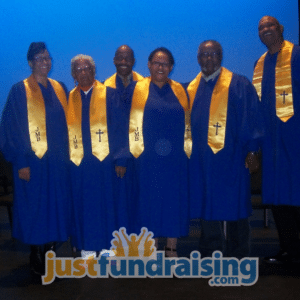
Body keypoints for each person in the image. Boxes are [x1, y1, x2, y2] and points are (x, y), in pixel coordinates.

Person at [0, 42, 70, 280]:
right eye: (40, 58)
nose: (45, 62)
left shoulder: (59, 88)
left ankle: (50, 250)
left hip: (57, 164)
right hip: (33, 163)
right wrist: (20, 162)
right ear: (30, 62)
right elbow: (11, 129)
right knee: (34, 207)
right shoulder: (20, 91)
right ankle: (35, 254)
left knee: (55, 205)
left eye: (48, 58)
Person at [188, 40, 262, 258]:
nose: (208, 58)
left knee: (235, 204)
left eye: (213, 54)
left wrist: (252, 150)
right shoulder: (191, 89)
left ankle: (238, 253)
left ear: (220, 57)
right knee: (206, 203)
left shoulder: (238, 84)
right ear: (198, 58)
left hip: (232, 159)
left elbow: (251, 118)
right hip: (201, 160)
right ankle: (211, 250)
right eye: (203, 54)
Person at [124, 47, 192, 257]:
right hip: (146, 159)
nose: (160, 67)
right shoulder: (135, 89)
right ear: (148, 65)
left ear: (171, 67)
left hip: (174, 160)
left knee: (173, 200)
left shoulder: (181, 90)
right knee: (147, 201)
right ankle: (148, 246)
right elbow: (122, 122)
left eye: (165, 63)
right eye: (156, 62)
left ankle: (171, 246)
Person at [253, 16, 300, 263]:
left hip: (295, 140)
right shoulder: (259, 64)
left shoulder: (297, 55)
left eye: (270, 25)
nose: (266, 30)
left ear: (280, 28)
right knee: (278, 198)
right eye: (261, 28)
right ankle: (289, 249)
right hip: (272, 145)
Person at [67, 54, 124, 257]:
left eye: (87, 69)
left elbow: (120, 128)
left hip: (105, 163)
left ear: (94, 71)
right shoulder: (68, 99)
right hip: (78, 165)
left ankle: (108, 248)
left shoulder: (110, 95)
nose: (83, 73)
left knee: (107, 203)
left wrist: (121, 159)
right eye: (79, 70)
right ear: (73, 74)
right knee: (83, 205)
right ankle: (87, 247)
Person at [104, 45, 143, 233]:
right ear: (113, 60)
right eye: (119, 58)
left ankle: (140, 241)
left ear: (134, 61)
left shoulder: (145, 85)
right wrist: (120, 154)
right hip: (115, 153)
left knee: (140, 197)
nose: (123, 62)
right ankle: (120, 240)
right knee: (119, 198)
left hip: (142, 153)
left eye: (127, 58)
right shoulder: (104, 88)